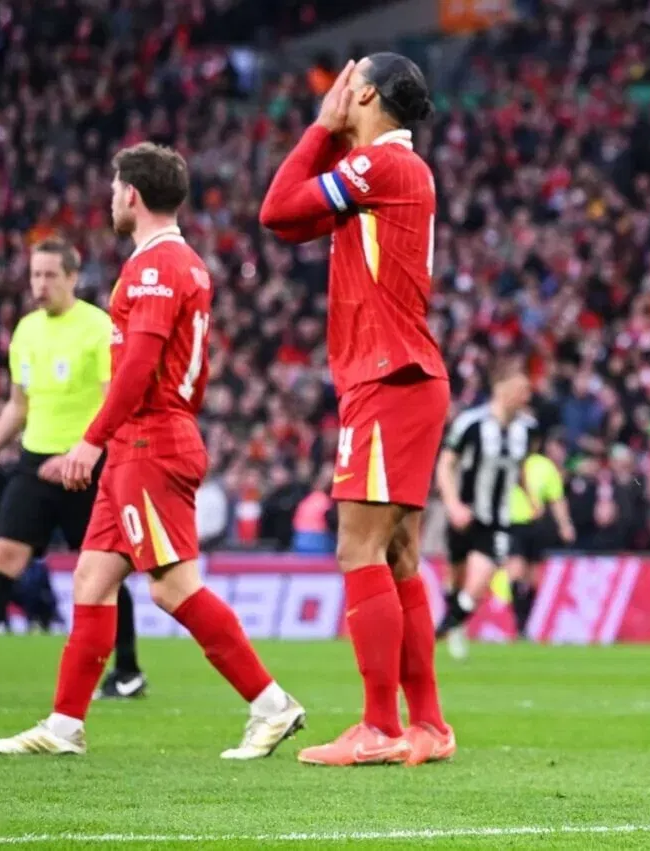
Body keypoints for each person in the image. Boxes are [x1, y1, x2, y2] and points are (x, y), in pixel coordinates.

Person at [0, 142, 305, 758]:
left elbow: (138, 366)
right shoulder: (168, 263)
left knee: (170, 586)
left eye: (113, 189)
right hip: (143, 440)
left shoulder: (157, 266)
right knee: (92, 576)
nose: (111, 199)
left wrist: (89, 441)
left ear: (131, 195)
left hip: (151, 438)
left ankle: (272, 704)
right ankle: (64, 726)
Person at [260, 54, 453, 766]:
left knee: (357, 548)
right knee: (398, 552)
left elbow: (275, 207)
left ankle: (377, 724)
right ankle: (427, 724)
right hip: (407, 374)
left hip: (388, 375)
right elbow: (292, 227)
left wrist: (320, 128)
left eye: (349, 84)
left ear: (364, 91)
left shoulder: (383, 166)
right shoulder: (391, 171)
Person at [0, 238, 148, 701]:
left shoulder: (98, 328)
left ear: (73, 277)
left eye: (49, 275)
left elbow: (111, 398)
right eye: (35, 275)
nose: (39, 284)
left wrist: (88, 450)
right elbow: (18, 407)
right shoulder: (26, 332)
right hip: (35, 461)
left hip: (85, 463)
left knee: (101, 572)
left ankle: (128, 670)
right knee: (3, 559)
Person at [434, 361, 539, 657]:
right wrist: (453, 505)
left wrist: (529, 495)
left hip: (498, 520)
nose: (526, 397)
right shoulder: (471, 423)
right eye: (521, 390)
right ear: (501, 389)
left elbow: (517, 468)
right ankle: (455, 623)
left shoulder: (527, 429)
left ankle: (444, 628)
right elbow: (445, 464)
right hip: (464, 514)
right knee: (456, 576)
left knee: (482, 578)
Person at [504, 430, 575, 638]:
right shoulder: (509, 462)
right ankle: (520, 623)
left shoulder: (545, 466)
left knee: (534, 578)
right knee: (516, 572)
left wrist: (565, 525)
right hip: (513, 522)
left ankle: (526, 622)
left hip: (536, 526)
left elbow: (556, 498)